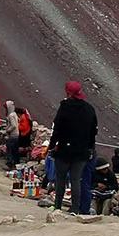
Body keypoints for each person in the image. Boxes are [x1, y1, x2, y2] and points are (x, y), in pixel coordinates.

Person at [44, 81, 98, 212]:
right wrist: (90, 148)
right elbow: (93, 131)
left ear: (68, 92)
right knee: (76, 180)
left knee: (60, 178)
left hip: (64, 150)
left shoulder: (64, 107)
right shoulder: (89, 109)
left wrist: (51, 147)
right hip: (81, 152)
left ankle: (57, 206)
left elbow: (57, 129)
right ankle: (75, 209)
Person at [5, 102, 32, 172]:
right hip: (17, 134)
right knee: (15, 150)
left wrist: (7, 130)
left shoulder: (11, 115)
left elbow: (14, 125)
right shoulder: (15, 115)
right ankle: (16, 163)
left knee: (10, 150)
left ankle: (10, 164)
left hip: (13, 135)